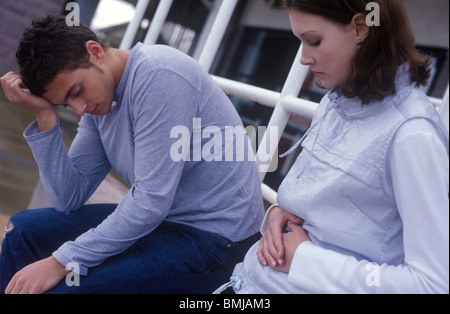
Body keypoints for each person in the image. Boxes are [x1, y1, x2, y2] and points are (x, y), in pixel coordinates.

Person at [0, 15, 265, 294]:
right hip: (165, 224)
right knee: (22, 230)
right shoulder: (99, 104)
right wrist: (44, 115)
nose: (78, 108)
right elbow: (68, 197)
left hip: (218, 241)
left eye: (76, 91)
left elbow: (151, 202)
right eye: (66, 103)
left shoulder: (159, 74)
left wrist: (60, 261)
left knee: (68, 288)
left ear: (95, 52)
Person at [217, 0, 449, 294]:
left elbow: (432, 285)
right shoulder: (337, 101)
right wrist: (278, 213)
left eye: (313, 41)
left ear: (361, 29)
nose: (303, 58)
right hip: (245, 280)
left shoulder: (412, 134)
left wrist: (304, 260)